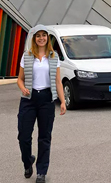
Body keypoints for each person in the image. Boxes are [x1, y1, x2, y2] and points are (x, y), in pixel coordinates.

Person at [17, 25, 66, 183]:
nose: (41, 38)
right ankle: (27, 161)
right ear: (34, 38)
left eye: (44, 35)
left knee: (44, 137)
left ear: (48, 38)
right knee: (23, 136)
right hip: (28, 100)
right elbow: (20, 79)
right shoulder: (27, 55)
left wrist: (63, 101)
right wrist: (23, 88)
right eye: (38, 35)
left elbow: (58, 81)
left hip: (46, 99)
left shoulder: (53, 56)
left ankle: (41, 172)